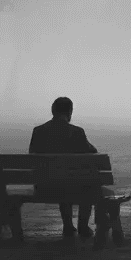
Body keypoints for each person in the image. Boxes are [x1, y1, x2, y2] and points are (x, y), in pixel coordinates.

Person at [29, 96, 98, 238]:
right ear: (70, 112)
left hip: (44, 187)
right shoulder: (77, 132)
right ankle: (83, 227)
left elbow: (32, 154)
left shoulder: (38, 131)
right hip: (72, 186)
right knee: (86, 184)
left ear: (53, 111)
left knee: (61, 178)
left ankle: (68, 226)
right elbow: (92, 153)